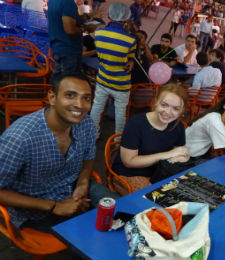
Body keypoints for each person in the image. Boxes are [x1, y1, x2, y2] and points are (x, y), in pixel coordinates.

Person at [0, 73, 119, 231]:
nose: (79, 104)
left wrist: (83, 184)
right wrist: (55, 206)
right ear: (52, 97)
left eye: (86, 98)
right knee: (91, 236)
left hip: (73, 185)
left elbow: (88, 159)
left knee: (123, 213)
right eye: (70, 95)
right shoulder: (19, 138)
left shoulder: (86, 124)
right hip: (36, 207)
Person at [111, 84, 189, 195]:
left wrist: (181, 157)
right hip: (129, 174)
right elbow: (128, 162)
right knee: (158, 200)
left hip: (159, 173)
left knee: (185, 193)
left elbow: (181, 154)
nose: (168, 112)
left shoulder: (178, 126)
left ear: (182, 110)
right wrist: (168, 155)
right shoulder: (136, 123)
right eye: (164, 105)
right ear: (156, 102)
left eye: (176, 109)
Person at [89, 2, 137, 136]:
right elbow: (130, 60)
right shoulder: (130, 40)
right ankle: (117, 140)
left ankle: (93, 135)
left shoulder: (98, 34)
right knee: (120, 112)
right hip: (121, 84)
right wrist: (131, 62)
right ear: (126, 19)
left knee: (97, 106)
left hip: (103, 79)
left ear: (109, 15)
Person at [48, 0, 83, 81]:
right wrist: (84, 29)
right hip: (69, 50)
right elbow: (70, 30)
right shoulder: (68, 3)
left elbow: (63, 18)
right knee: (68, 83)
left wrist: (87, 16)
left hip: (58, 47)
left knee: (59, 82)